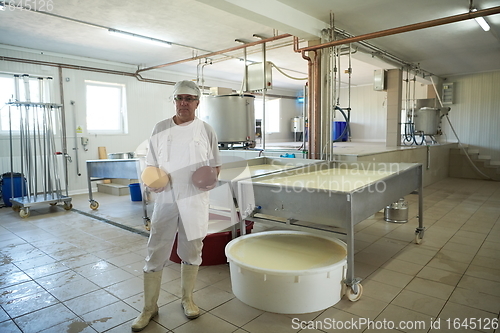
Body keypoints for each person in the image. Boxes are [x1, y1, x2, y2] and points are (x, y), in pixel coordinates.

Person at [132, 80, 221, 332]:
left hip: (195, 199)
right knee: (157, 247)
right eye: (180, 98)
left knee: (192, 247)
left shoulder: (206, 130)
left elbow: (215, 164)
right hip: (167, 199)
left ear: (197, 103)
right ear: (174, 100)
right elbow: (150, 164)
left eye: (189, 99)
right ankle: (149, 307)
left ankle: (187, 299)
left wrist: (210, 179)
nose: (184, 102)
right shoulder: (160, 128)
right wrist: (152, 181)